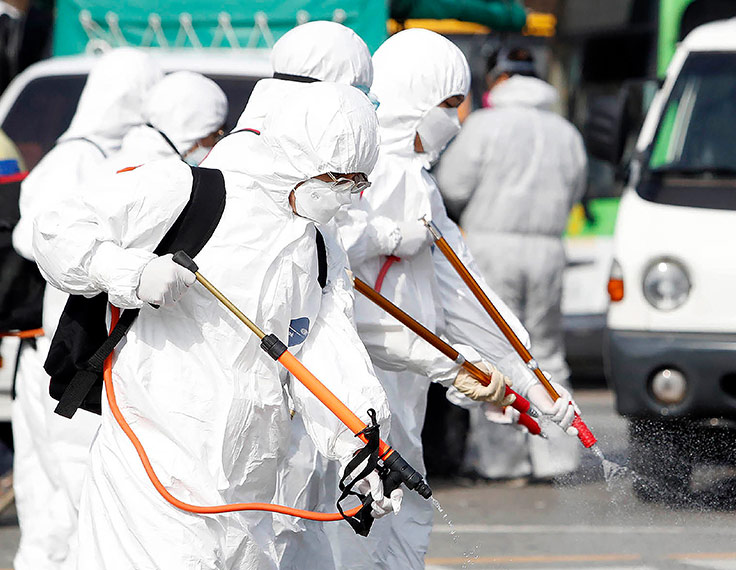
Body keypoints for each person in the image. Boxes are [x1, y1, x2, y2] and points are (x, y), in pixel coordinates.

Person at [31, 82, 400, 569]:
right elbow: (56, 227)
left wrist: (364, 444)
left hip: (248, 489)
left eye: (357, 184)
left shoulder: (319, 248)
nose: (347, 198)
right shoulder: (191, 192)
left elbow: (328, 352)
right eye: (337, 179)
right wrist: (132, 274)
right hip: (152, 470)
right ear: (295, 157)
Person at [329, 29, 580, 570]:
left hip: (409, 372)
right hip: (357, 371)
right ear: (413, 99)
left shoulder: (418, 181)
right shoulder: (357, 170)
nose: (456, 122)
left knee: (396, 511)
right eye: (446, 106)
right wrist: (386, 237)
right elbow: (322, 253)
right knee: (355, 510)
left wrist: (528, 378)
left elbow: (463, 286)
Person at [200, 21, 377, 569]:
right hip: (197, 438)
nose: (347, 192)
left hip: (280, 423)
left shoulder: (316, 205)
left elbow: (328, 328)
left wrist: (363, 443)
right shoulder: (222, 182)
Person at [10, 47, 162, 570]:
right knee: (71, 486)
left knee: (56, 498)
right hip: (65, 347)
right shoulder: (77, 157)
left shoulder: (89, 152)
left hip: (64, 344)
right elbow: (37, 240)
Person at [435, 46, 588, 481]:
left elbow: (452, 187)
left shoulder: (484, 126)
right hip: (548, 250)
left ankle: (502, 463)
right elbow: (577, 189)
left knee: (495, 354)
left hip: (491, 249)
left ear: (498, 79)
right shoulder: (565, 131)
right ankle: (559, 457)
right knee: (548, 354)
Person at [102, 70, 228, 172]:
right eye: (216, 134)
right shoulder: (169, 181)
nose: (215, 143)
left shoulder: (109, 167)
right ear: (194, 131)